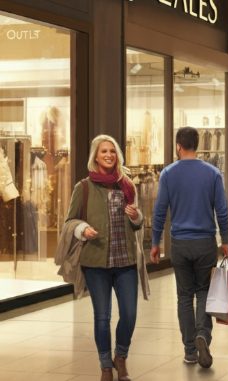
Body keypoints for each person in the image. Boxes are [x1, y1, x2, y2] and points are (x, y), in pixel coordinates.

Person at [65, 135, 146, 381]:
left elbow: (138, 223)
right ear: (95, 156)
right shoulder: (84, 187)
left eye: (112, 151)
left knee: (130, 314)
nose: (109, 155)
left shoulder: (128, 185)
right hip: (96, 263)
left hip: (126, 262)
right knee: (102, 317)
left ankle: (120, 356)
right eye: (104, 151)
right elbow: (70, 221)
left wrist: (136, 217)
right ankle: (105, 367)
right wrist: (82, 229)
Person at [150, 127, 228, 369]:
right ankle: (202, 336)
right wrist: (225, 240)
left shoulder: (168, 174)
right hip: (206, 243)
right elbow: (222, 211)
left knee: (184, 296)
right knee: (204, 291)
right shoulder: (213, 173)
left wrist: (155, 242)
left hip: (180, 244)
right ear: (197, 145)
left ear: (178, 146)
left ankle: (189, 351)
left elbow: (159, 211)